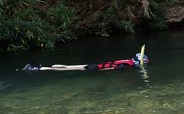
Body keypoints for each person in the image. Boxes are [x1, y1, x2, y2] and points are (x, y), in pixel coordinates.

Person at [21, 52, 149, 72]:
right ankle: (39, 69)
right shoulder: (127, 65)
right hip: (96, 68)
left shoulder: (127, 60)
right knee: (70, 69)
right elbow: (111, 69)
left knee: (71, 66)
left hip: (96, 64)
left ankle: (49, 66)